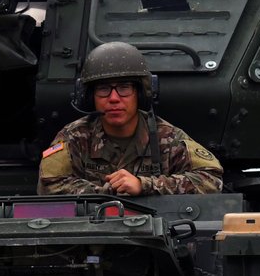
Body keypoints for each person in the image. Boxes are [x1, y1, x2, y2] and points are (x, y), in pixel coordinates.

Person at [38, 41, 223, 197]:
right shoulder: (75, 136)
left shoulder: (166, 137)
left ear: (141, 94)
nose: (113, 98)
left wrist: (145, 185)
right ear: (89, 97)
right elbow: (48, 185)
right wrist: (107, 192)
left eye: (124, 87)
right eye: (103, 89)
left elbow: (212, 180)